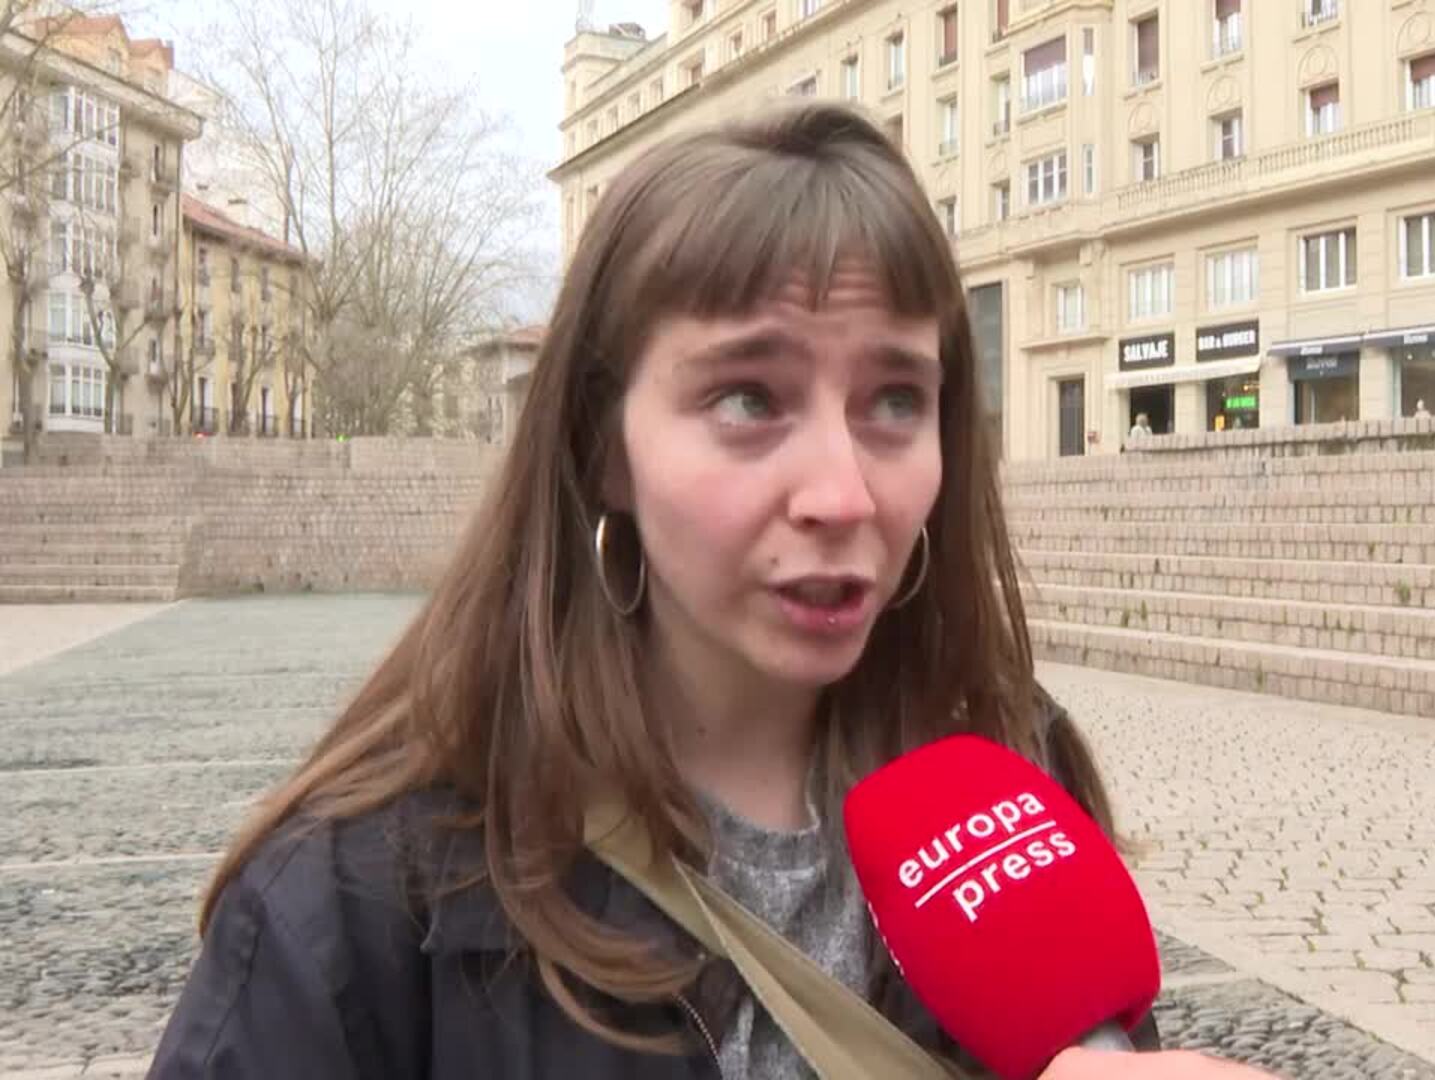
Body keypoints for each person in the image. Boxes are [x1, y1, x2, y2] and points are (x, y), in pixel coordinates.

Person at [147, 103, 1268, 1079]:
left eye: (893, 401)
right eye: (747, 398)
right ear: (601, 444)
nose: (844, 493)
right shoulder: (353, 903)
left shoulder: (1016, 781)